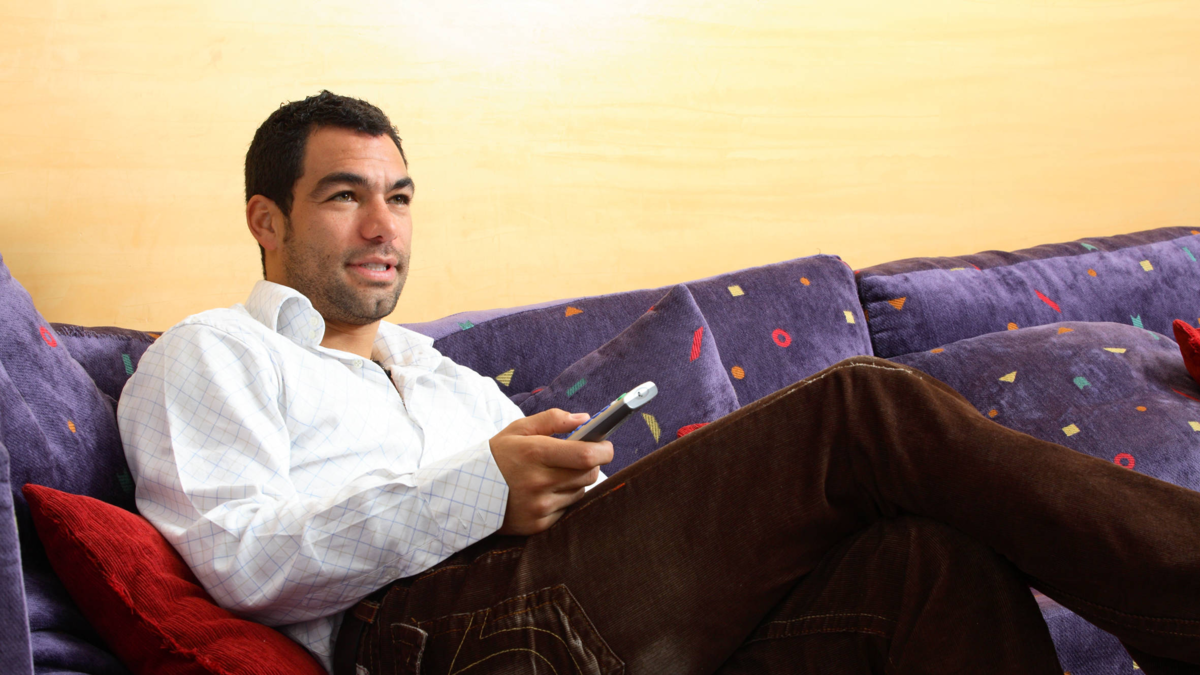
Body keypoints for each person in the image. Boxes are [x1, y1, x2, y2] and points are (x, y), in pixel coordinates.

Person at [117, 91, 1200, 675]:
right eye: (344, 196)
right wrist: (481, 491)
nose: (382, 226)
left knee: (923, 564)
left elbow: (567, 528)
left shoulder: (439, 374)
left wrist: (564, 486)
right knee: (862, 407)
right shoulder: (213, 353)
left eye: (398, 197)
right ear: (266, 219)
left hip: (561, 602)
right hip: (414, 641)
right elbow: (242, 561)